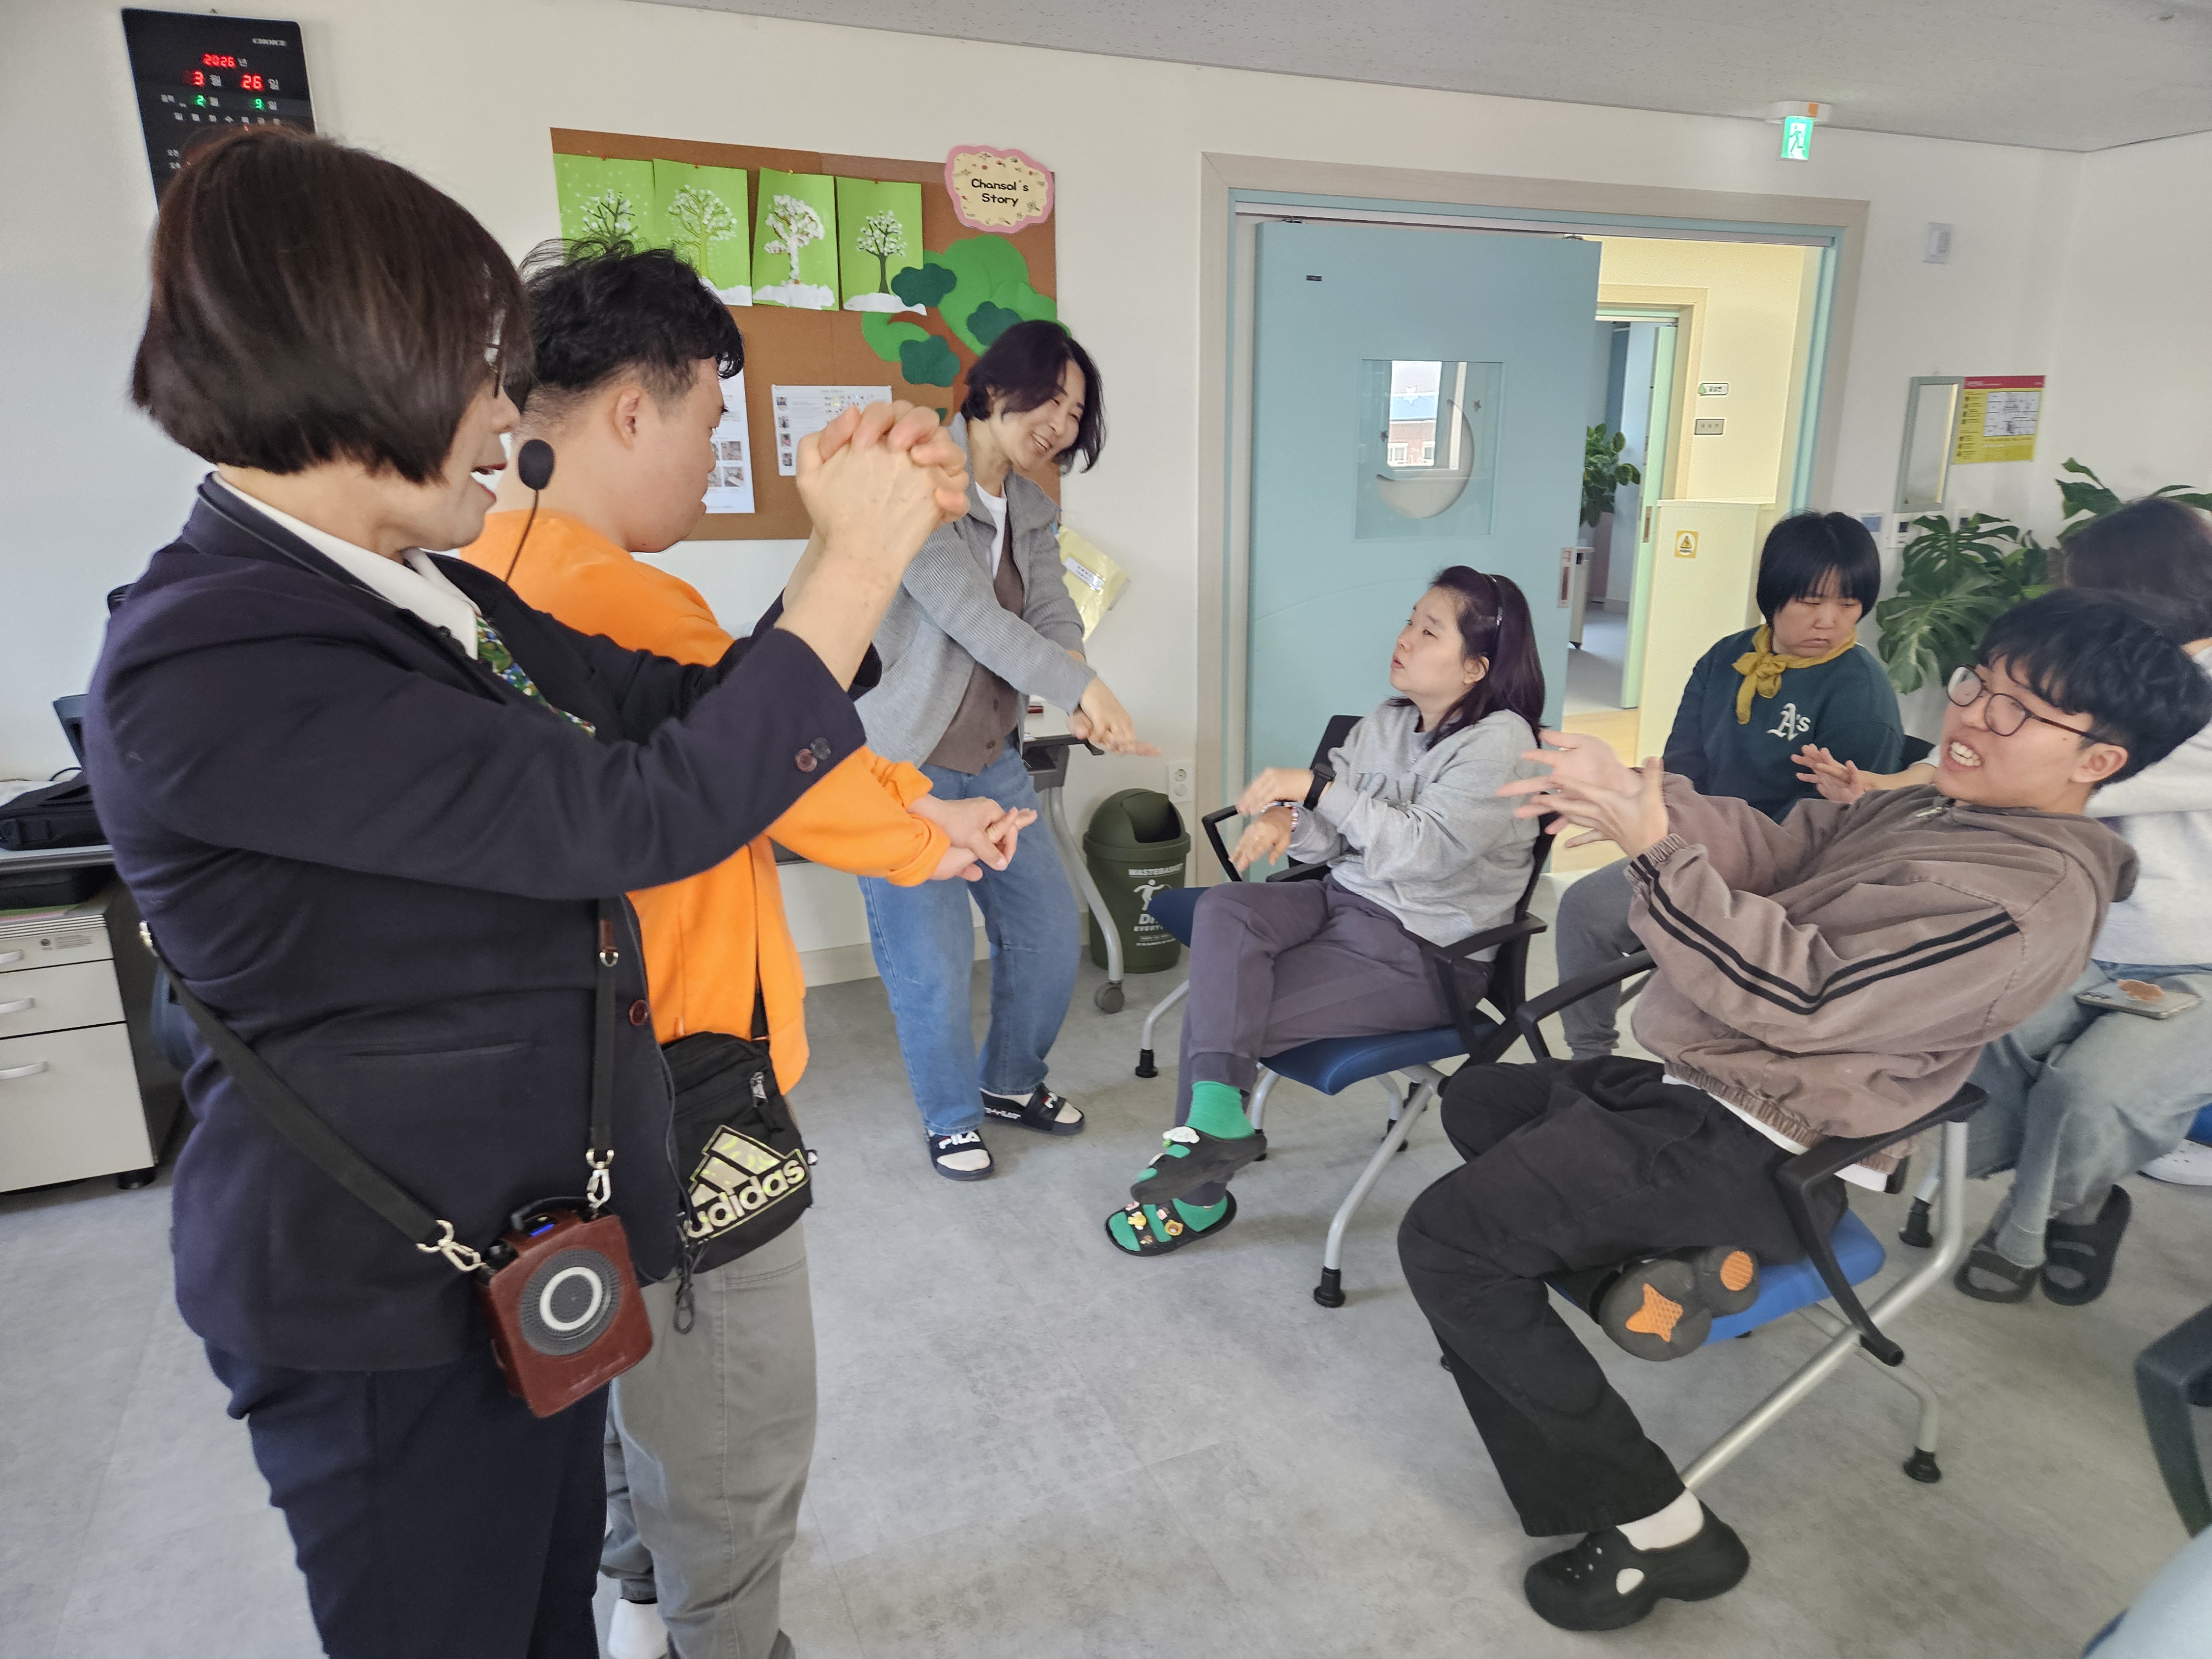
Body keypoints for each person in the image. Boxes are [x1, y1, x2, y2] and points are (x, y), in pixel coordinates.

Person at [85, 129, 967, 1659]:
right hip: (380, 1296)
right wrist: (854, 566)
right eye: (480, 371)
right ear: (360, 358)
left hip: (519, 1247)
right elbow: (634, 818)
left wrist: (848, 557)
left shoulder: (421, 590)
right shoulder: (213, 654)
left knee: (548, 1604)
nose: (507, 417)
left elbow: (674, 712)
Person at [1395, 588, 2209, 1632]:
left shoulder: (2028, 898)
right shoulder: (1937, 806)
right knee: (1485, 1098)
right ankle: (1648, 1278)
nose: (1971, 716)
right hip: (1702, 1087)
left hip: (1758, 1137)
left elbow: (1808, 997)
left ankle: (1662, 1526)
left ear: (2099, 759)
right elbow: (1778, 848)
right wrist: (1648, 799)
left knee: (1450, 1246)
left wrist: (1653, 849)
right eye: (1979, 685)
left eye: (2018, 711)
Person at [456, 239, 1032, 1659]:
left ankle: (641, 1596)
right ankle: (718, 1627)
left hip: (564, 1076)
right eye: (712, 422)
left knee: (609, 1367)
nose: (719, 461)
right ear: (631, 409)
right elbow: (762, 765)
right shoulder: (618, 598)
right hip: (690, 1069)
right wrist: (932, 831)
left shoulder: (482, 573)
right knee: (735, 1422)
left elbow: (749, 706)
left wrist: (909, 797)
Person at [1800, 498, 2212, 1305]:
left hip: (2192, 962)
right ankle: (2006, 1182)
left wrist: (1912, 780)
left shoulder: (2172, 699)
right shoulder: (2113, 675)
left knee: (2090, 1093)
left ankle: (2039, 1219)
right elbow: (1998, 758)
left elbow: (2030, 773)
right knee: (1971, 1039)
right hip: (2080, 935)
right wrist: (1890, 785)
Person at [1103, 568, 1545, 1255]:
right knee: (1227, 908)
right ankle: (1217, 1127)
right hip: (1342, 901)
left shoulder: (1501, 744)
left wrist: (1313, 789)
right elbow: (1335, 838)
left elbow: (1423, 853)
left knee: (1226, 1013)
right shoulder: (1386, 722)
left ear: (1475, 667)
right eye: (1410, 620)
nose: (1404, 638)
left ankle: (1199, 1195)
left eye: (1429, 631)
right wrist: (1289, 821)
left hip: (1423, 953)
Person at [857, 319, 1157, 1180]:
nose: (1061, 423)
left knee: (1049, 932)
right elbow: (971, 616)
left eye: (1076, 412)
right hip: (903, 769)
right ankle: (951, 1117)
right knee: (934, 964)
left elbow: (1053, 611)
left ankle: (1010, 1083)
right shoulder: (920, 485)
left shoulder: (1031, 506)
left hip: (993, 762)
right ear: (992, 390)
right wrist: (1083, 691)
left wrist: (1077, 679)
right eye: (1051, 400)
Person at [1552, 510, 1902, 1059]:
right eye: (1810, 602)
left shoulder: (1860, 693)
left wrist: (1707, 863)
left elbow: (1827, 832)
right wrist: (1649, 826)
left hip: (1781, 877)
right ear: (1773, 594)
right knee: (1584, 908)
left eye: (1848, 604)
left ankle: (1693, 1075)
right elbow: (1682, 767)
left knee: (1684, 981)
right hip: (1693, 847)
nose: (1828, 622)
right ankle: (1589, 1058)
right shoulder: (1726, 658)